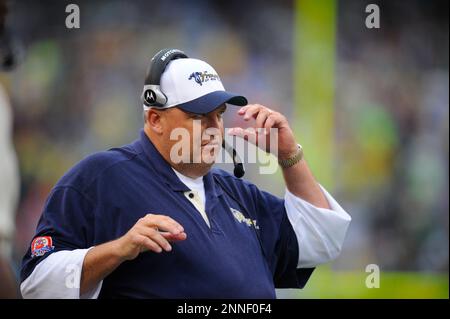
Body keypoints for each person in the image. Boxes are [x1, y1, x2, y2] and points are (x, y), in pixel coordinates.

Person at [20, 49, 351, 298]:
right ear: (155, 119)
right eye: (199, 116)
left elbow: (320, 240)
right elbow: (36, 284)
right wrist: (118, 249)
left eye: (219, 115)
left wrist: (289, 156)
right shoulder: (100, 178)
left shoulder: (235, 192)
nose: (214, 128)